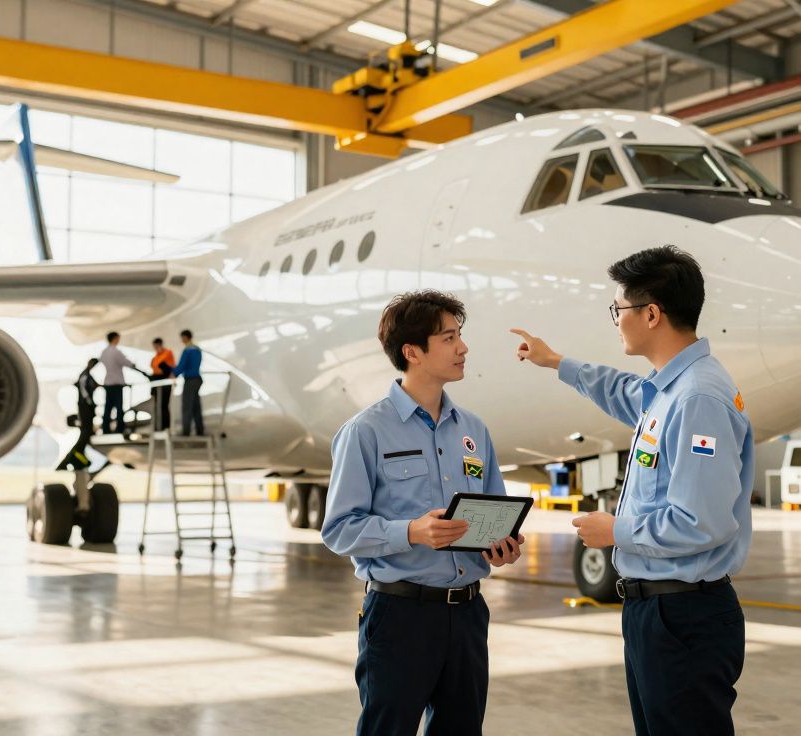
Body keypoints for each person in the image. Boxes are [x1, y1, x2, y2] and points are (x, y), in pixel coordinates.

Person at [512, 245, 754, 736]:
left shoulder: (697, 399)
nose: (616, 320)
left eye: (619, 310)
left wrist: (615, 531)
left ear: (651, 314)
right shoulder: (669, 391)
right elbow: (625, 394)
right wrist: (556, 362)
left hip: (683, 616)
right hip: (659, 611)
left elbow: (700, 522)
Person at [322, 290, 525, 736]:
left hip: (468, 614)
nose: (463, 347)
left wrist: (501, 546)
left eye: (460, 336)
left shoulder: (474, 429)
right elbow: (338, 530)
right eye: (449, 338)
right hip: (399, 616)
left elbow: (493, 510)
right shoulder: (366, 432)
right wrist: (411, 532)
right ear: (412, 352)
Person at [99, 332, 139, 434]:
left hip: (108, 383)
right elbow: (127, 363)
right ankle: (119, 429)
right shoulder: (116, 352)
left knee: (107, 408)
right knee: (119, 408)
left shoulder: (104, 352)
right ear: (115, 338)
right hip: (116, 383)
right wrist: (133, 365)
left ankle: (105, 429)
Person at [171, 329, 204, 436]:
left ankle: (186, 432)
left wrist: (173, 374)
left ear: (185, 337)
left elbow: (182, 365)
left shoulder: (188, 350)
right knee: (195, 406)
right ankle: (200, 431)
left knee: (187, 407)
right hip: (197, 379)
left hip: (190, 380)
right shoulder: (197, 349)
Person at [147, 338, 176, 432]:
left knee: (164, 405)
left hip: (165, 381)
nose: (155, 348)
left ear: (160, 344)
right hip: (156, 381)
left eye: (156, 346)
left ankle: (165, 427)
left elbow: (168, 367)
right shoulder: (155, 357)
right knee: (157, 405)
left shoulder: (167, 353)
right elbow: (153, 366)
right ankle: (157, 426)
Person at [76, 358, 100, 436]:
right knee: (86, 428)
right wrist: (89, 401)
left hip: (86, 403)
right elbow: (83, 389)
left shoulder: (87, 374)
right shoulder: (85, 375)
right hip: (85, 404)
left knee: (88, 427)